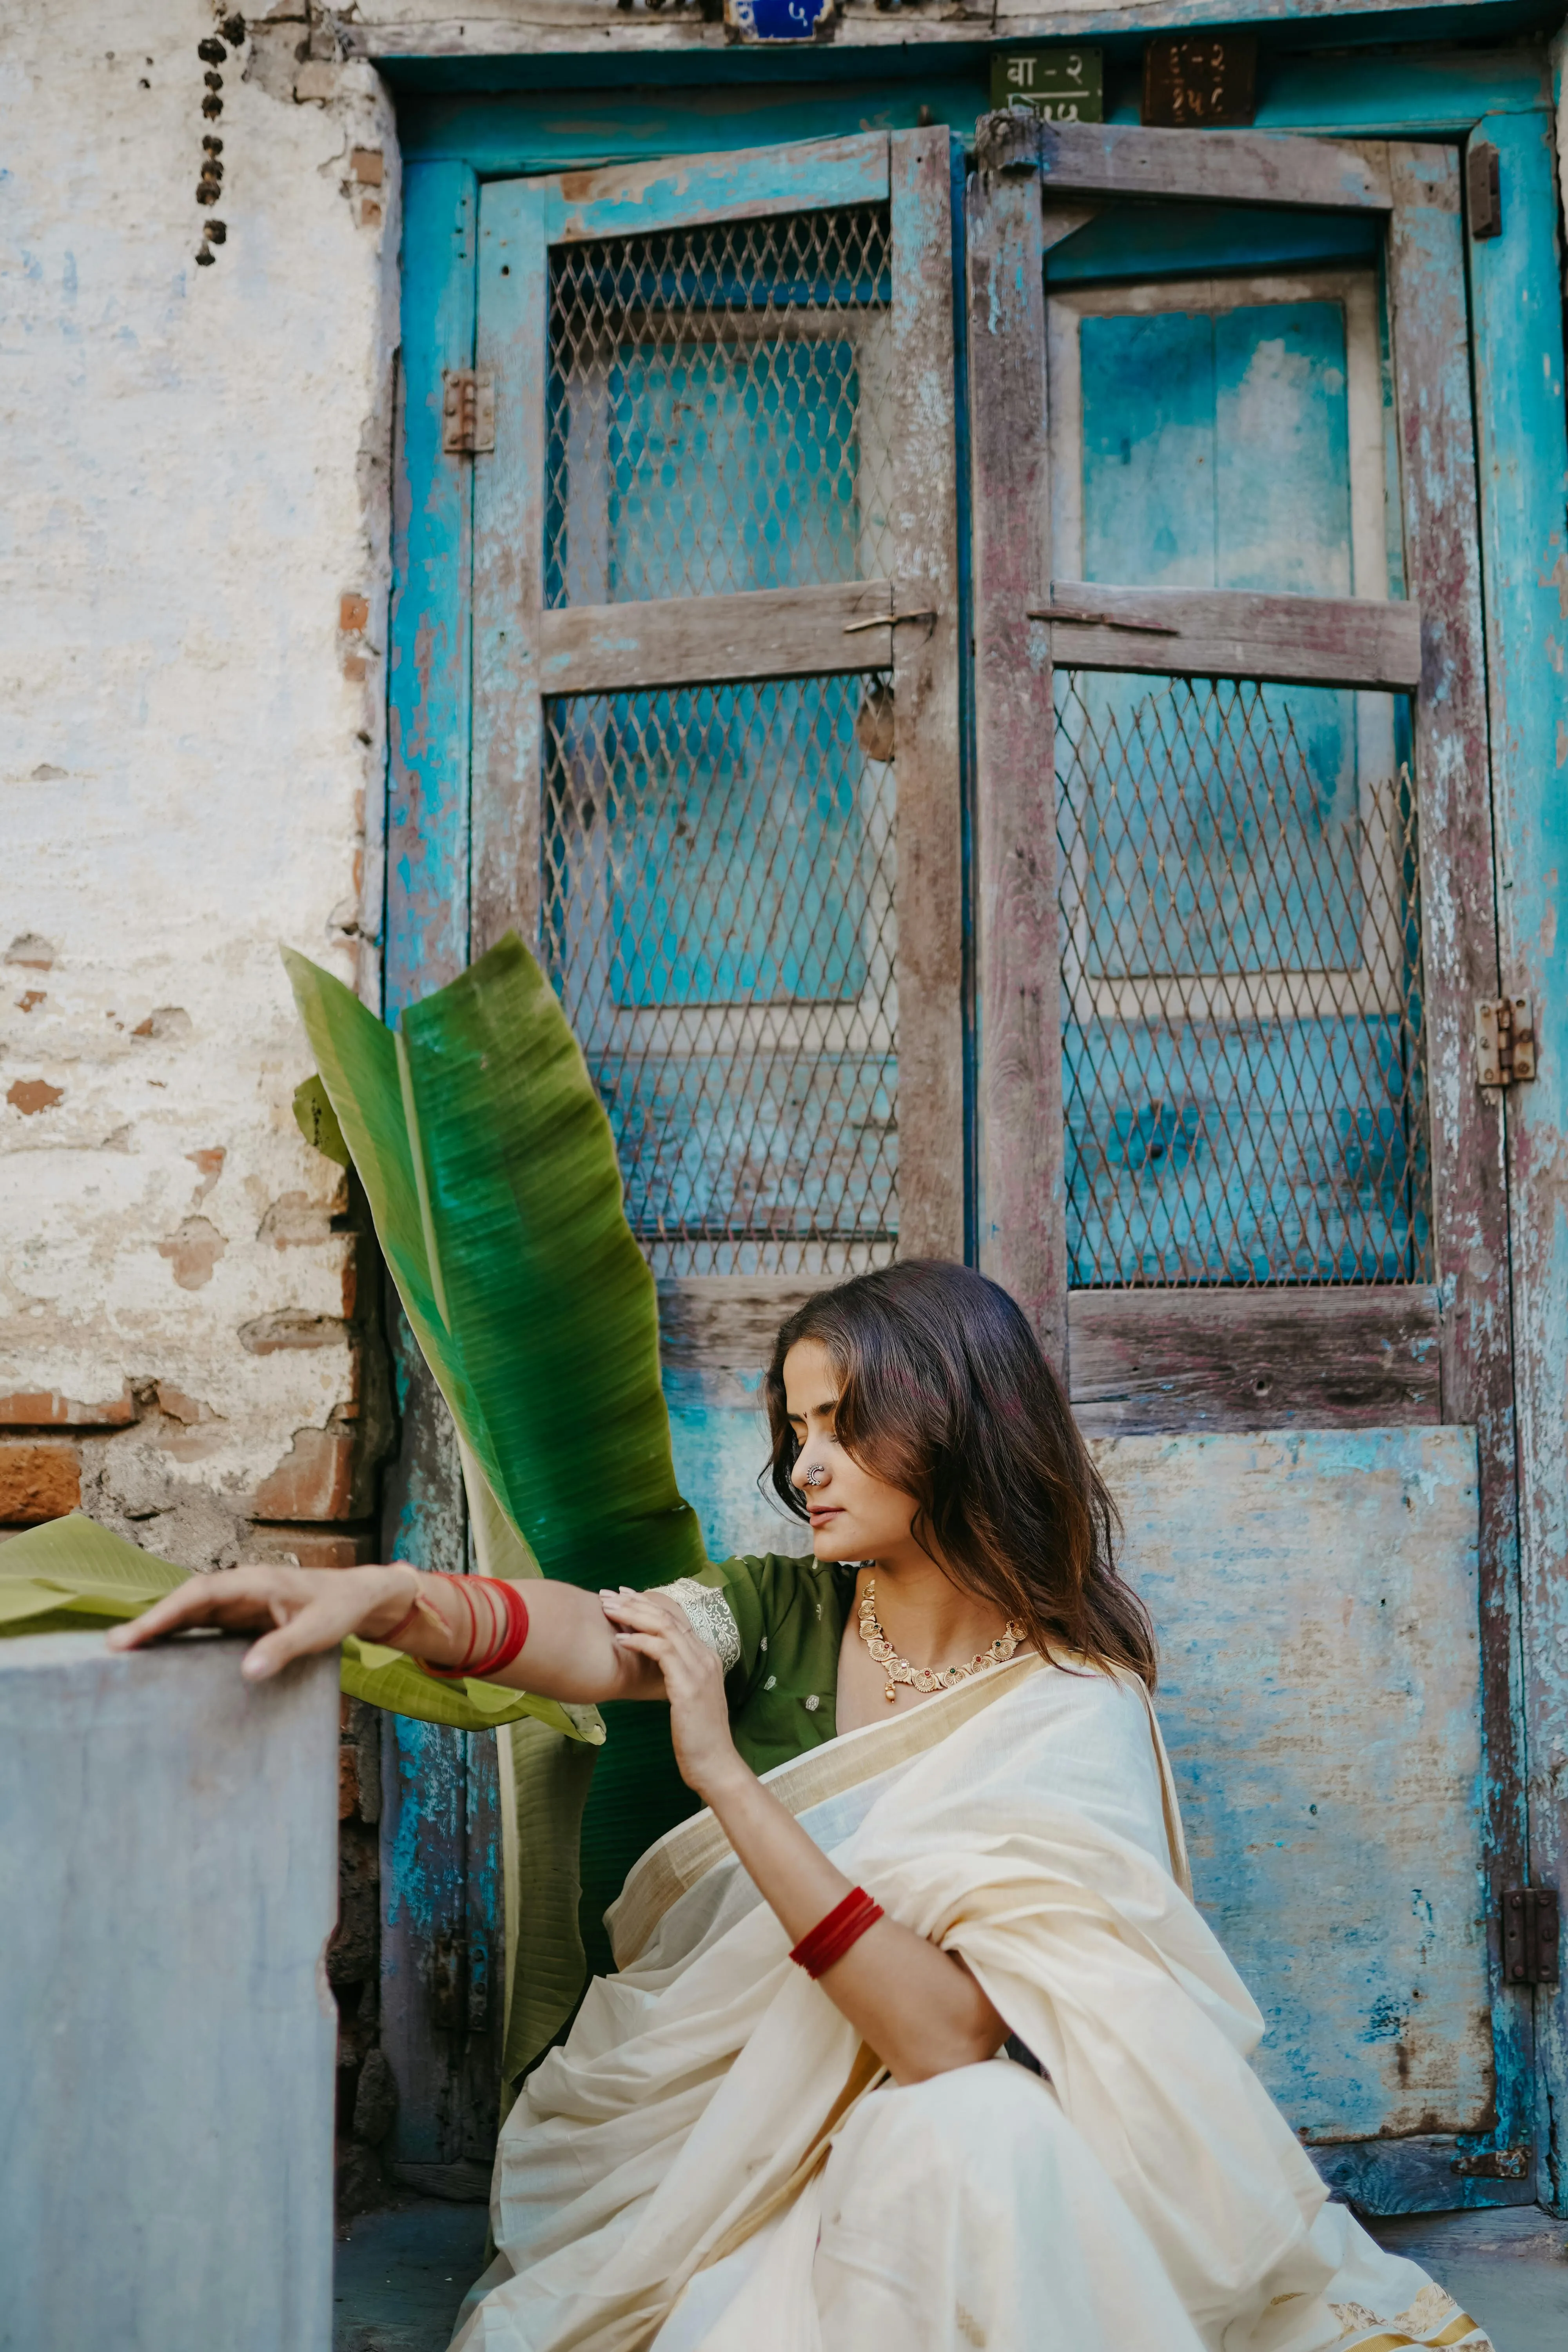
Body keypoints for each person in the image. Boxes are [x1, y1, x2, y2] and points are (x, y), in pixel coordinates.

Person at [111, 1261, 1490, 2352]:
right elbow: (597, 1636)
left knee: (983, 2135)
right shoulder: (776, 1613)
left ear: (955, 1419)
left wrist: (724, 1776)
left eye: (844, 1425)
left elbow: (949, 2038)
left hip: (958, 2143)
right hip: (729, 2173)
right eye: (798, 1429)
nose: (806, 1465)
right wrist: (396, 1599)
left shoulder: (1075, 1703)